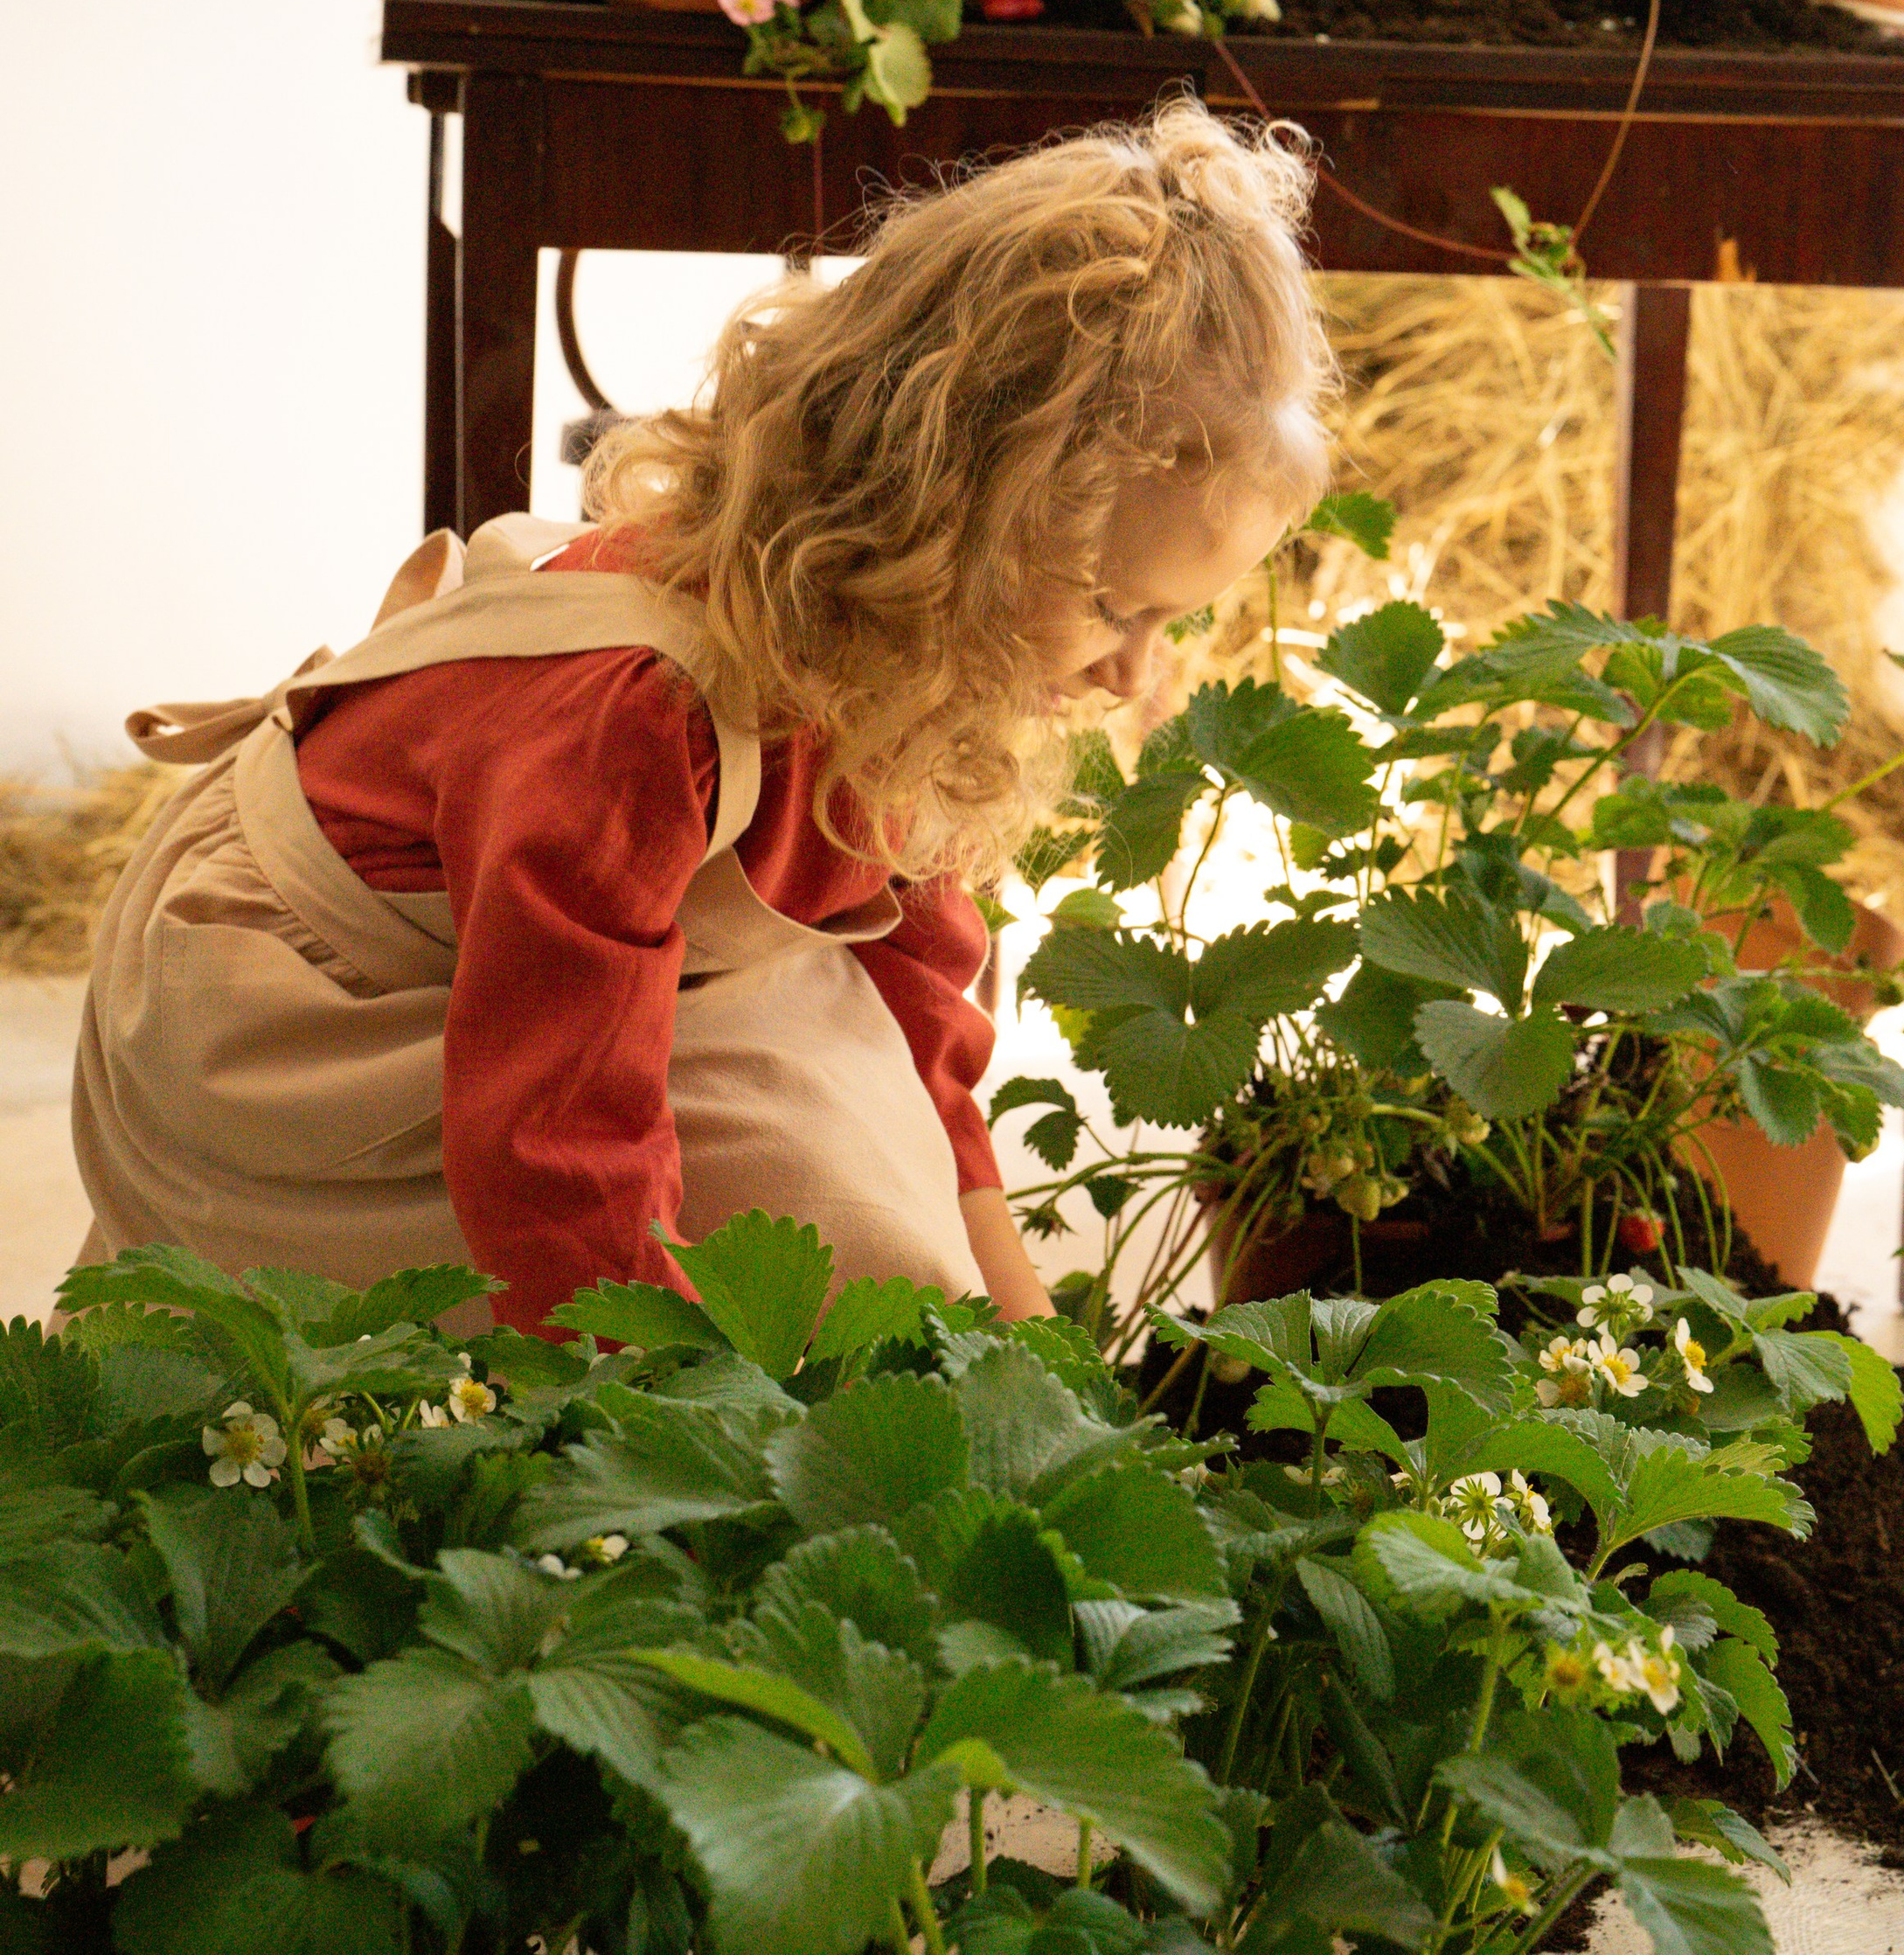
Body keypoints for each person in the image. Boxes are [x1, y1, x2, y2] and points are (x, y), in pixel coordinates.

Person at [73, 102, 1336, 1335]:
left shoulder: (898, 649)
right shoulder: (638, 717)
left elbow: (912, 989)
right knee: (825, 1221)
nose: (1134, 676)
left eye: (1169, 623)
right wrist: (662, 1442)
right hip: (310, 992)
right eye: (1115, 605)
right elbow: (551, 1139)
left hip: (536, 967)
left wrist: (1020, 1308)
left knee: (866, 1135)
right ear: (961, 519)